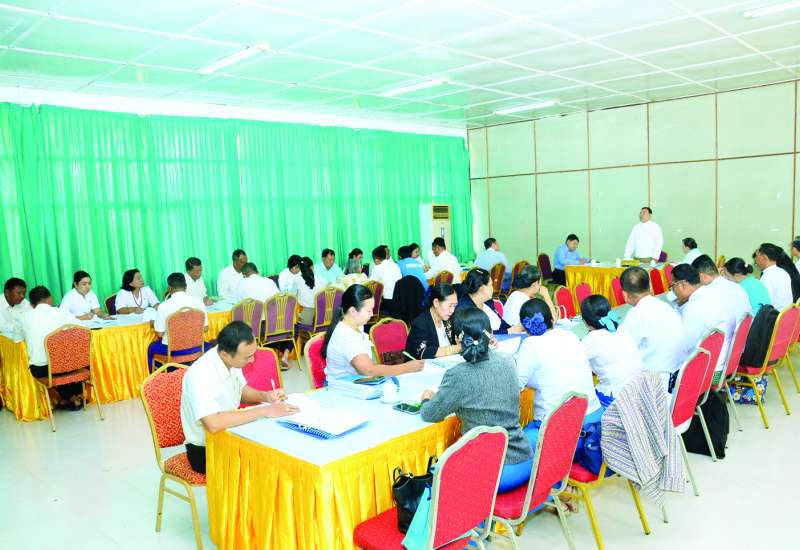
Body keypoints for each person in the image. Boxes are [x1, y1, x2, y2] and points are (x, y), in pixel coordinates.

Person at [419, 307, 533, 492]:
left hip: (492, 472)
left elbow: (430, 414)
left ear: (458, 340)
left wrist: (426, 399)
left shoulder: (458, 375)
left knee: (437, 475)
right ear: (490, 334)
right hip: (524, 459)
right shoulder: (509, 361)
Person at [180, 321, 299, 474]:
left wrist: (266, 396)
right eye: (247, 357)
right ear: (225, 354)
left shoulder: (229, 360)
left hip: (231, 434)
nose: (252, 360)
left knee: (280, 445)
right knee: (268, 462)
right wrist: (265, 411)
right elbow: (213, 423)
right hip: (206, 450)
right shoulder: (200, 374)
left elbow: (239, 390)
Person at [513, 298, 603, 465]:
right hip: (592, 418)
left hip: (560, 429)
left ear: (525, 327)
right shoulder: (570, 336)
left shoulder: (531, 345)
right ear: (552, 319)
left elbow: (515, 385)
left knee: (513, 450)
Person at [321, 284, 423, 379]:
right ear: (353, 311)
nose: (372, 314)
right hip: (343, 387)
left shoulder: (356, 325)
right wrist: (406, 368)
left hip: (356, 383)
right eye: (369, 310)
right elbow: (368, 370)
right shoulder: (346, 335)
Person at [21, 286, 84, 409]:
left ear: (32, 304)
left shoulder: (25, 317)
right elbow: (81, 329)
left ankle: (69, 398)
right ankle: (73, 397)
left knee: (51, 366)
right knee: (67, 363)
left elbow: (17, 338)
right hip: (69, 365)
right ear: (49, 299)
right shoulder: (62, 312)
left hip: (42, 369)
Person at [619, 267, 684, 385]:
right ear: (650, 287)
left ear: (625, 295)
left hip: (656, 384)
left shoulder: (635, 314)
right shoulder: (666, 306)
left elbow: (622, 351)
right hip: (679, 377)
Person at [580, 295, 644, 407]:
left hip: (618, 399)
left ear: (585, 321)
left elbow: (573, 364)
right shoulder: (622, 330)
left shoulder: (591, 340)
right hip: (641, 390)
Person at [671, 263, 733, 374]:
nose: (673, 291)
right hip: (725, 360)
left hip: (709, 371)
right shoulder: (713, 292)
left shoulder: (694, 307)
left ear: (682, 285)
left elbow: (685, 346)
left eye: (672, 286)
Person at [148, 273, 209, 370]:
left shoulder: (163, 306)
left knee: (151, 348)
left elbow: (159, 334)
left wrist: (154, 323)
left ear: (169, 288)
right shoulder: (198, 302)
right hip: (196, 347)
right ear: (186, 286)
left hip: (172, 351)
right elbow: (205, 328)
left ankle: (165, 375)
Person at [692, 254, 751, 325]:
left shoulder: (706, 292)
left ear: (702, 276)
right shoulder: (737, 287)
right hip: (743, 330)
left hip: (726, 331)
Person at [406, 283, 460, 359]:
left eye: (455, 306)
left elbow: (458, 337)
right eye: (450, 305)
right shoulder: (420, 323)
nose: (452, 310)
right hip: (424, 364)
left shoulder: (448, 318)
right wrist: (456, 348)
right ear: (436, 303)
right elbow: (422, 351)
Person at [457, 268, 516, 334]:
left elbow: (503, 324)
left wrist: (515, 328)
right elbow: (479, 334)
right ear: (482, 287)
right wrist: (507, 331)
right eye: (491, 285)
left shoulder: (488, 302)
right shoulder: (465, 309)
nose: (493, 288)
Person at [754, 243, 793, 311]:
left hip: (775, 315)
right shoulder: (783, 272)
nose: (755, 259)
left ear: (764, 257)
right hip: (786, 313)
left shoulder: (767, 277)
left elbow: (765, 304)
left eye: (756, 256)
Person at [369, 246, 402, 315]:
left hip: (388, 301)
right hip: (400, 298)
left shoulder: (377, 268)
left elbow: (370, 283)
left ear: (376, 259)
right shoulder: (395, 265)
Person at [293, 257, 325, 325]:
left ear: (300, 268)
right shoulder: (321, 280)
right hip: (322, 316)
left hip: (306, 318)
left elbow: (292, 295)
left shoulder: (297, 280)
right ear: (312, 266)